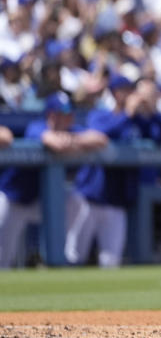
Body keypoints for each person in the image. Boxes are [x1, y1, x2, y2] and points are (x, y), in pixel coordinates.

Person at [66, 76, 161, 267]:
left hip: (117, 202)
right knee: (74, 257)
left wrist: (152, 112)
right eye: (126, 90)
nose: (132, 95)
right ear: (116, 93)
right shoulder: (100, 115)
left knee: (111, 262)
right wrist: (127, 113)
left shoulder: (139, 122)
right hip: (89, 198)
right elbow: (102, 133)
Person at [0, 94, 108, 268]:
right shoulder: (37, 126)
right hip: (13, 199)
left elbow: (100, 139)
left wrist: (73, 140)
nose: (69, 118)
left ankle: (64, 255)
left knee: (76, 201)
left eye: (69, 114)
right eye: (63, 114)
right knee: (3, 258)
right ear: (51, 115)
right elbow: (55, 143)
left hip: (40, 202)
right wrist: (74, 144)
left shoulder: (72, 131)